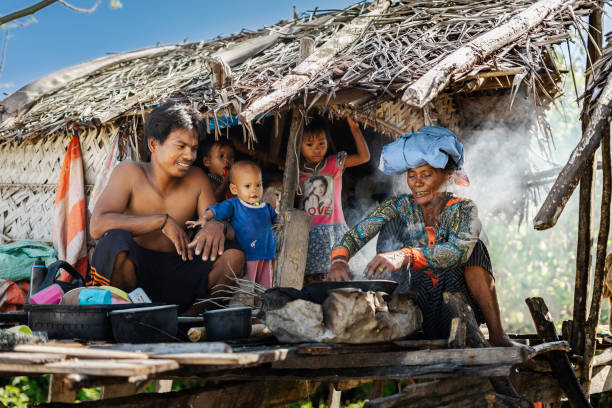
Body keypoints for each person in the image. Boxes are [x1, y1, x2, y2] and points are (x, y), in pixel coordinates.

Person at [328, 126, 513, 347]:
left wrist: (405, 255)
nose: (417, 183)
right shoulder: (399, 206)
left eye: (426, 175)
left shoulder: (464, 209)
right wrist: (339, 260)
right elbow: (358, 234)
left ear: (448, 176)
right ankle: (388, 316)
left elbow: (457, 252)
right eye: (412, 175)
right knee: (392, 226)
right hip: (412, 309)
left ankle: (498, 336)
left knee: (475, 250)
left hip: (455, 310)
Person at [89, 101, 245, 311]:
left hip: (181, 273)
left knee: (234, 254)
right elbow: (97, 225)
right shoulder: (129, 172)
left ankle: (189, 323)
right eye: (181, 146)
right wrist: (161, 221)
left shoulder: (197, 179)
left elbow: (218, 222)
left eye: (194, 148)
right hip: (135, 277)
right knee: (114, 241)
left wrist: (218, 226)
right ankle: (127, 317)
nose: (190, 156)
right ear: (154, 145)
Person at [299, 116, 370, 283]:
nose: (316, 149)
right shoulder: (296, 172)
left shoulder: (333, 164)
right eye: (309, 145)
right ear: (299, 146)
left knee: (336, 277)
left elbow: (364, 157)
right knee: (312, 280)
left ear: (328, 143)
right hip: (308, 234)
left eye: (321, 144)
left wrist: (355, 130)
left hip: (334, 232)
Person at [188, 161, 277, 288]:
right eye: (248, 186)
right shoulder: (234, 204)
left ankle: (261, 306)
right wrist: (204, 218)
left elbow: (277, 222)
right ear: (234, 189)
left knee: (265, 287)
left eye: (258, 185)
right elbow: (215, 210)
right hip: (248, 257)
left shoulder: (266, 207)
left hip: (267, 255)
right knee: (247, 288)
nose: (254, 190)